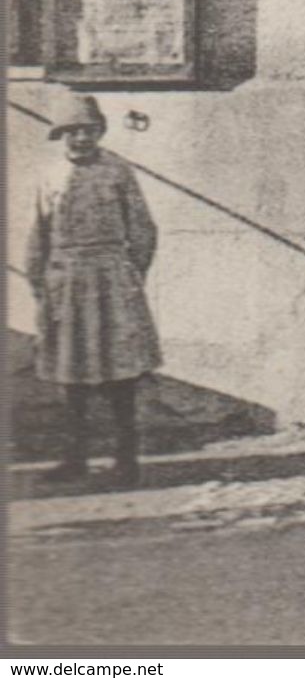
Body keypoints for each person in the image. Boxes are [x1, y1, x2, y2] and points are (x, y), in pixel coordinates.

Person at [26, 93, 162, 489]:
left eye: (87, 131)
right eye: (71, 132)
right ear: (61, 136)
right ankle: (75, 459)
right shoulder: (49, 175)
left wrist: (129, 275)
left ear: (99, 132)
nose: (80, 139)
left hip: (111, 279)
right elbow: (38, 233)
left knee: (120, 373)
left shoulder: (118, 171)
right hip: (65, 282)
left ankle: (126, 459)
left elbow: (143, 229)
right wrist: (39, 282)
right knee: (73, 376)